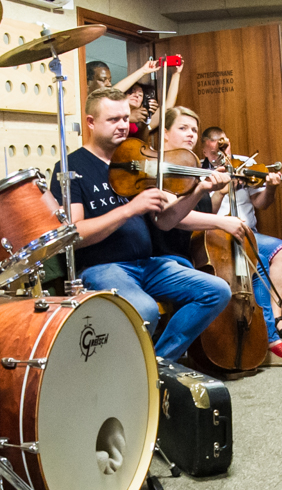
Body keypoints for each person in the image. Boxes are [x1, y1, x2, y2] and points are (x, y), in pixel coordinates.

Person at [55, 88, 231, 363]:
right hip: (102, 267)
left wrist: (197, 190)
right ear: (90, 122)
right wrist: (128, 210)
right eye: (113, 119)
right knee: (145, 309)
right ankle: (141, 374)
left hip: (148, 264)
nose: (124, 126)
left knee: (216, 291)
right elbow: (73, 235)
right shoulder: (71, 168)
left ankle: (157, 365)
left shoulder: (137, 161)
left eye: (126, 118)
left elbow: (165, 222)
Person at [166, 114, 282, 366]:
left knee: (275, 252)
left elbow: (262, 203)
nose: (221, 148)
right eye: (215, 144)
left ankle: (271, 328)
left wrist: (270, 186)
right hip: (211, 234)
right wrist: (221, 189)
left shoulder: (242, 165)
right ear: (205, 147)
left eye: (225, 143)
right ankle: (265, 337)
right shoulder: (196, 170)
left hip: (244, 233)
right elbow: (199, 213)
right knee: (248, 264)